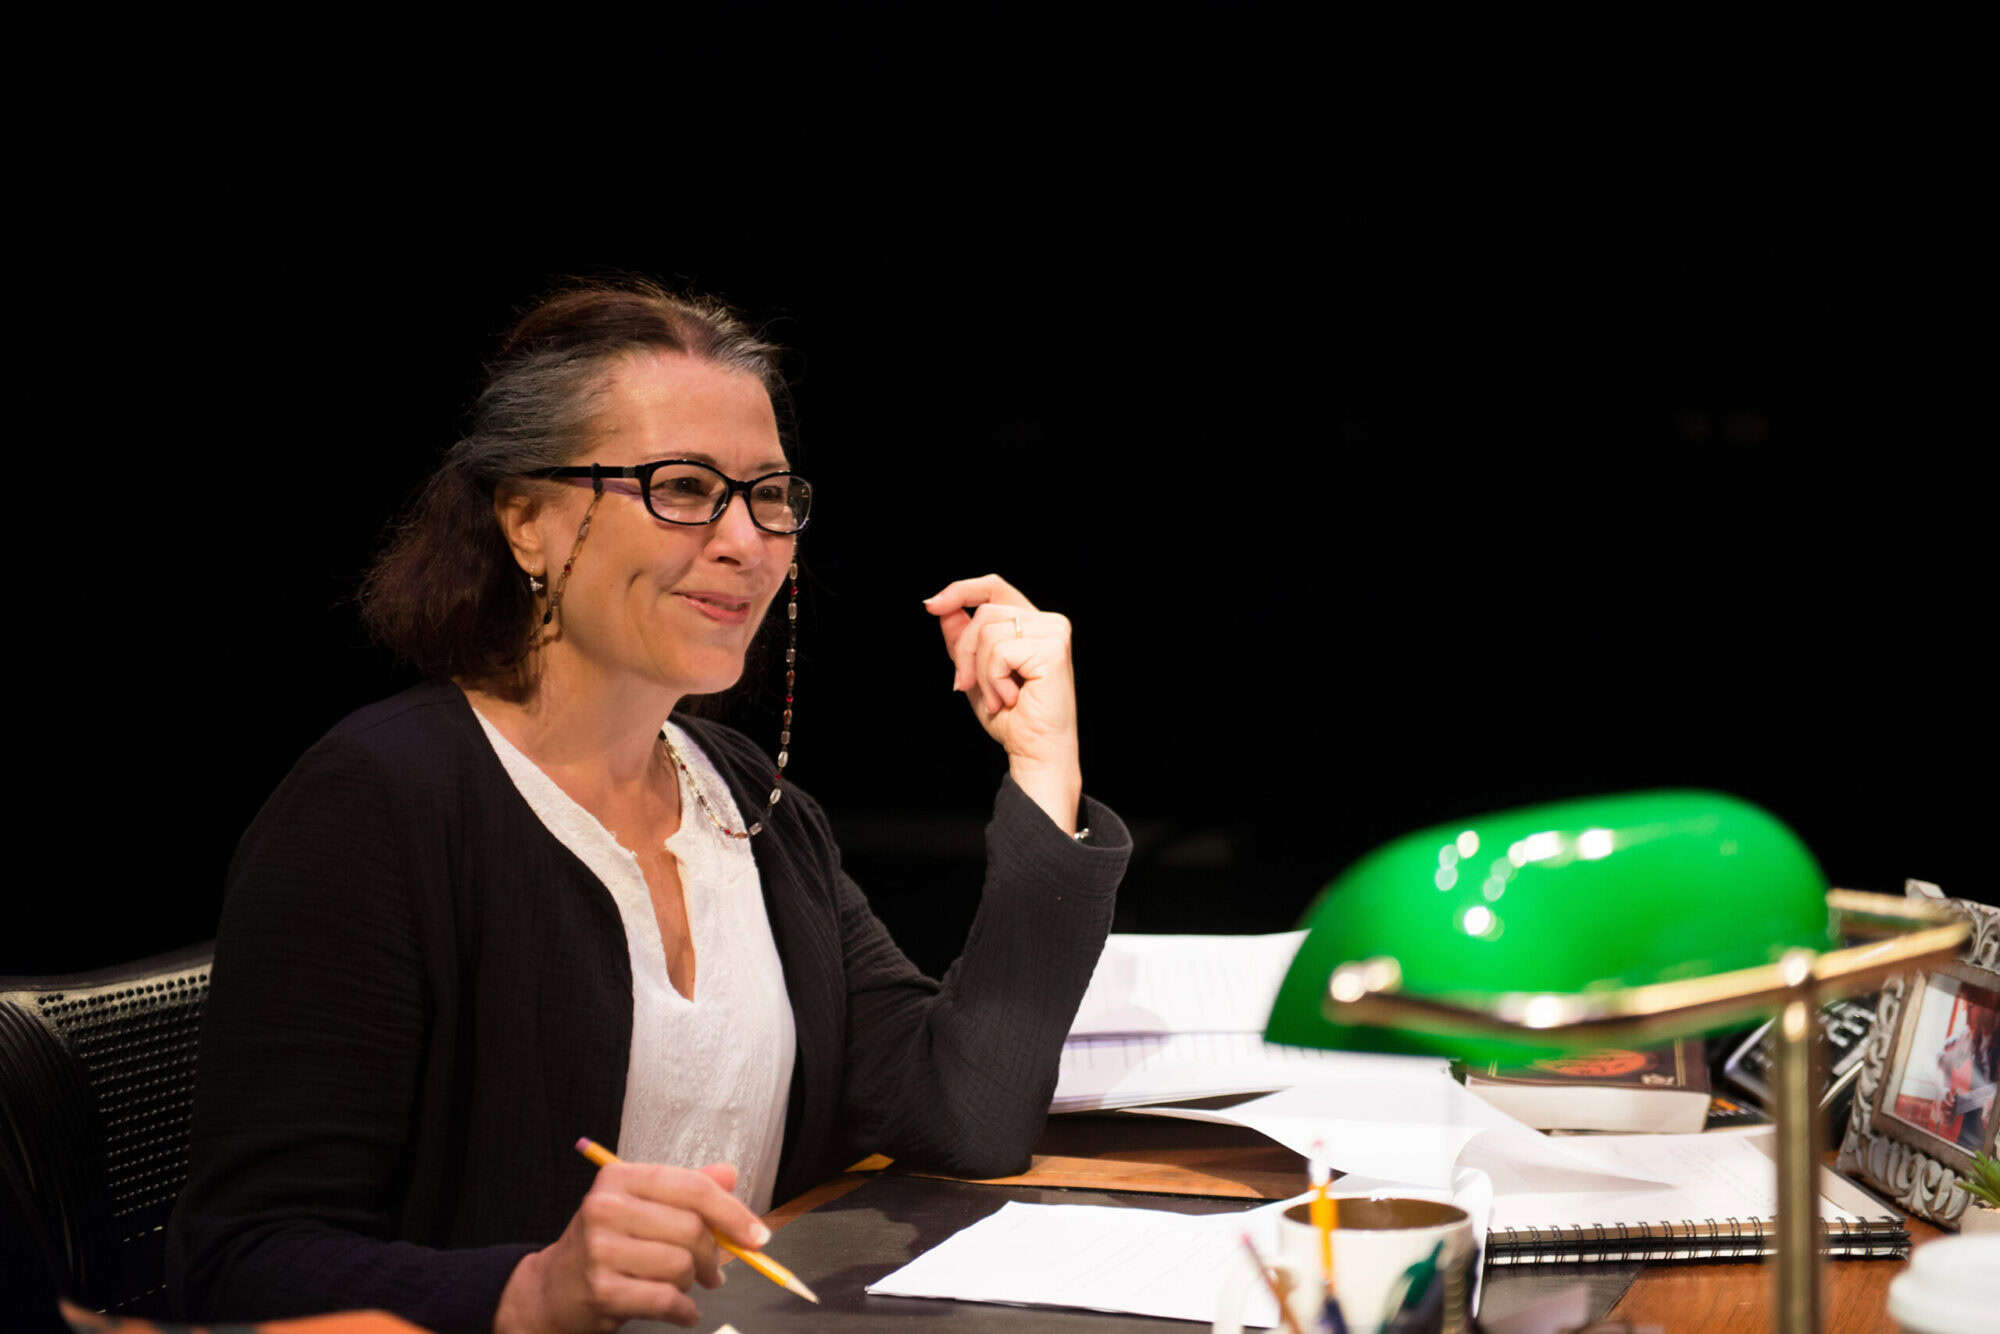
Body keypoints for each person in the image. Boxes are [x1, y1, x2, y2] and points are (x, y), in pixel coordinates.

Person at [165, 280, 1129, 1333]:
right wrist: (528, 1289)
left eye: (769, 495)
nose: (745, 540)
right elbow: (241, 1263)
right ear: (526, 521)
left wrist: (1044, 765)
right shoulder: (376, 808)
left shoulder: (747, 800)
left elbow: (966, 1112)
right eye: (682, 487)